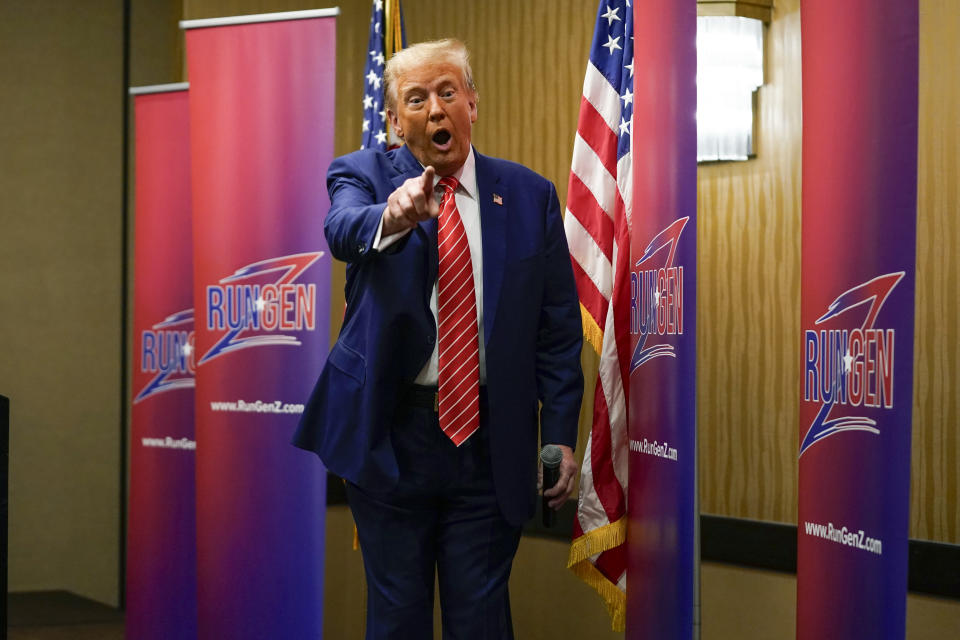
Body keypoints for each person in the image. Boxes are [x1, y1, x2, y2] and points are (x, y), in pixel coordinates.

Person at [293, 38, 583, 639]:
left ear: (472, 104)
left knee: (480, 620)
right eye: (416, 99)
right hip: (392, 439)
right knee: (397, 619)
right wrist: (392, 217)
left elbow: (556, 335)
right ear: (396, 121)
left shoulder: (530, 196)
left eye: (448, 92)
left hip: (488, 442)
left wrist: (558, 437)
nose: (435, 109)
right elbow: (342, 229)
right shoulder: (364, 175)